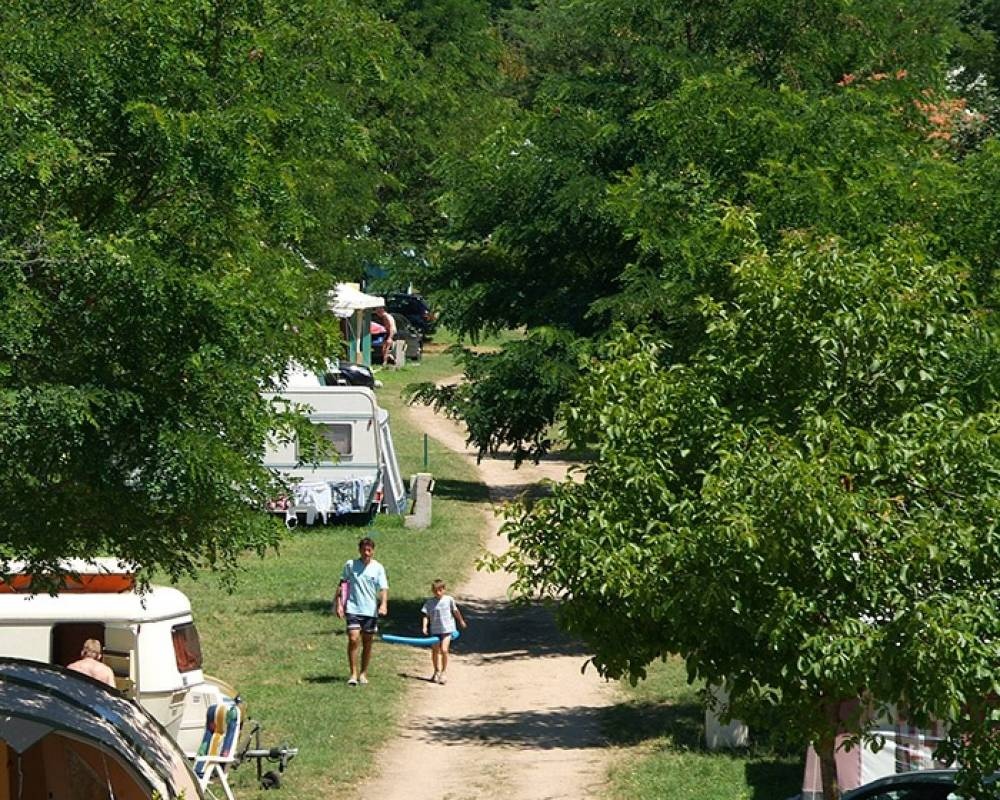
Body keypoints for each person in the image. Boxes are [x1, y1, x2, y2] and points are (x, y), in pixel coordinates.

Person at [335, 537, 388, 686]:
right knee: (353, 638)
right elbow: (342, 584)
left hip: (370, 610)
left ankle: (363, 673)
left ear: (373, 551)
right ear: (359, 550)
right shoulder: (350, 565)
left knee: (367, 642)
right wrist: (339, 604)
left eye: (369, 550)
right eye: (364, 550)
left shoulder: (378, 568)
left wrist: (383, 604)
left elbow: (383, 588)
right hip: (353, 608)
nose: (366, 553)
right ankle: (353, 673)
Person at [421, 579, 467, 685]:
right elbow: (425, 616)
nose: (438, 593)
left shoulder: (449, 600)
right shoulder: (429, 602)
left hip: (447, 629)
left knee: (444, 650)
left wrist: (461, 621)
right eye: (435, 590)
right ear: (432, 591)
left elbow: (455, 611)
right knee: (435, 651)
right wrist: (424, 627)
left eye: (440, 590)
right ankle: (436, 671)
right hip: (435, 630)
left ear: (444, 590)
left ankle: (443, 672)